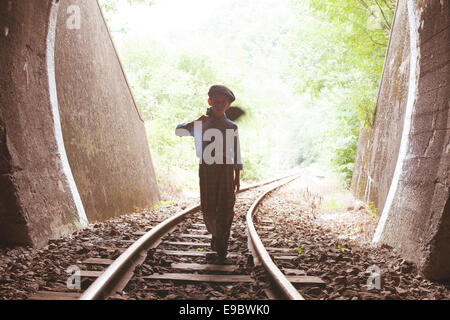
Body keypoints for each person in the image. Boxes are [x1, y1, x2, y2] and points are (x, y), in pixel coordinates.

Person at [175, 85, 243, 263]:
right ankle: (216, 234)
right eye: (216, 101)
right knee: (209, 207)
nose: (219, 105)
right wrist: (195, 123)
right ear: (209, 102)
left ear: (228, 105)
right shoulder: (201, 124)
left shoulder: (231, 126)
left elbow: (236, 151)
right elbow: (178, 131)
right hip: (206, 169)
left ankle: (222, 244)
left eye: (223, 102)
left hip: (226, 170)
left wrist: (237, 177)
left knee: (227, 207)